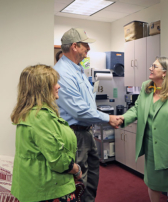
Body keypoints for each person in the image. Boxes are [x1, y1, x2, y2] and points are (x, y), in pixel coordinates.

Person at [54, 28, 122, 202]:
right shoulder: (62, 73)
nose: (88, 49)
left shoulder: (77, 69)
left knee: (91, 180)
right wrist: (108, 118)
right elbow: (79, 110)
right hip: (75, 134)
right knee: (79, 182)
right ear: (75, 46)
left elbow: (87, 102)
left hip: (86, 132)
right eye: (86, 45)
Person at [119, 57, 168, 202]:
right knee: (153, 184)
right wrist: (123, 119)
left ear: (165, 73)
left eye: (154, 66)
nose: (150, 68)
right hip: (151, 147)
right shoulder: (147, 87)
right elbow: (137, 109)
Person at [11, 65, 82, 202]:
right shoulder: (39, 117)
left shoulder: (30, 113)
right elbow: (58, 161)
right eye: (54, 83)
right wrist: (76, 169)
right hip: (49, 191)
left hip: (38, 187)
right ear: (42, 88)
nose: (58, 86)